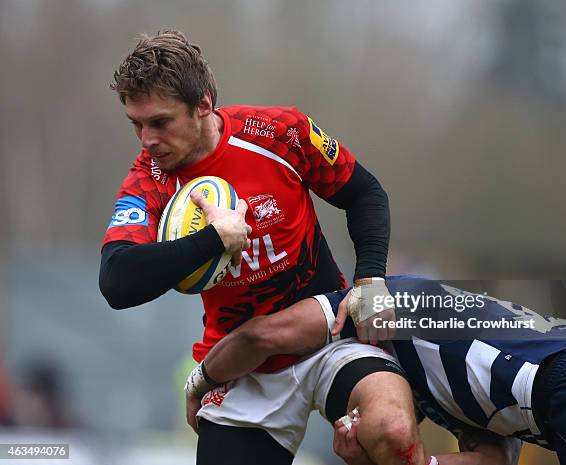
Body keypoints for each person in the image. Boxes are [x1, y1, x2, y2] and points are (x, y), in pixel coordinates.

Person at [99, 29, 420, 465]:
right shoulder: (150, 179)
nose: (147, 140)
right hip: (241, 367)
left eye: (160, 122)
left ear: (204, 105)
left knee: (393, 432)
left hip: (327, 336)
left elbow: (364, 193)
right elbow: (117, 281)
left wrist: (370, 279)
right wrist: (214, 240)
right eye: (136, 125)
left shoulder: (277, 132)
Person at [191, 275, 566, 465]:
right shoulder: (441, 387)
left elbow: (261, 338)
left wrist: (199, 386)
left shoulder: (378, 305)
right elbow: (492, 459)